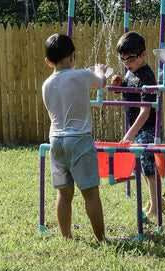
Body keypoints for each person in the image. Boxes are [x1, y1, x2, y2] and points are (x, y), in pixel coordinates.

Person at [42, 33, 108, 241]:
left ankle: (66, 237)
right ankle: (101, 239)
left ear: (48, 61)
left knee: (63, 193)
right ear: (73, 56)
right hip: (79, 139)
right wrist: (99, 71)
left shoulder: (46, 84)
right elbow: (101, 83)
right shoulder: (81, 75)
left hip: (56, 142)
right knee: (90, 193)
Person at [111, 31, 165, 220]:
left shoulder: (147, 77)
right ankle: (157, 199)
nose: (126, 63)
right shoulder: (131, 72)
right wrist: (120, 85)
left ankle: (156, 208)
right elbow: (129, 92)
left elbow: (145, 111)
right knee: (144, 168)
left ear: (143, 55)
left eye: (130, 59)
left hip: (149, 129)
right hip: (139, 130)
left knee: (149, 168)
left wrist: (129, 134)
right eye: (123, 59)